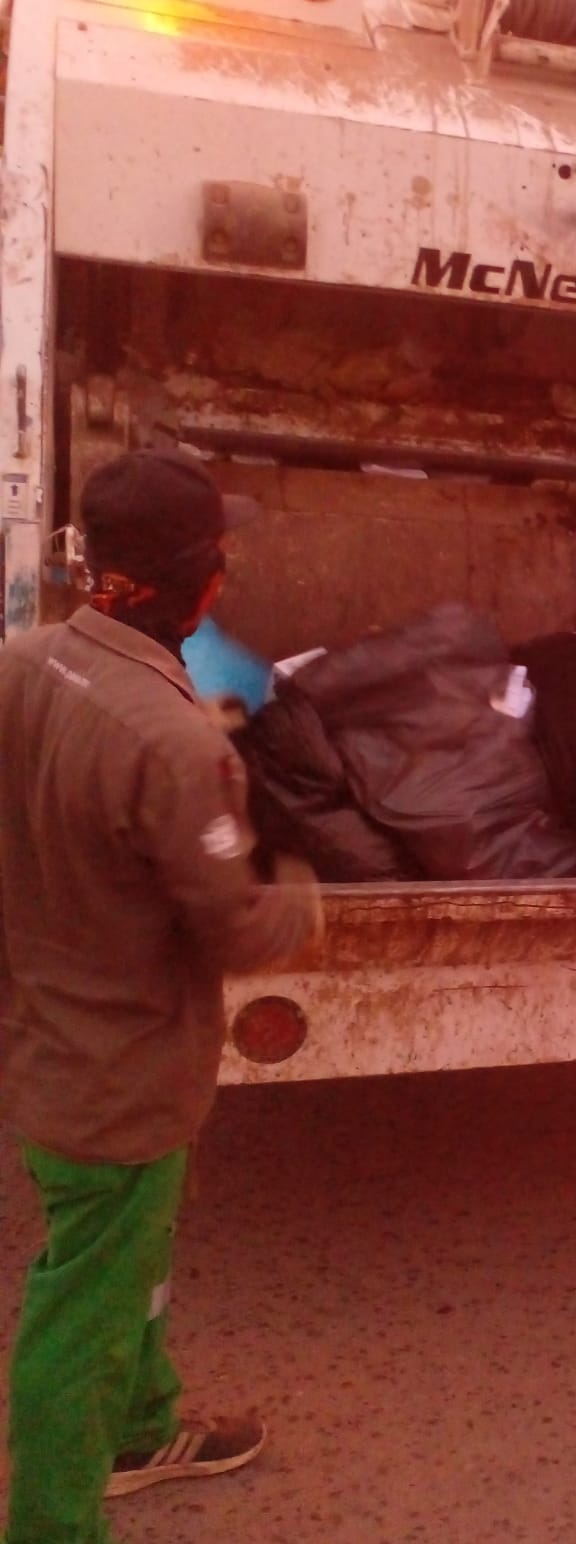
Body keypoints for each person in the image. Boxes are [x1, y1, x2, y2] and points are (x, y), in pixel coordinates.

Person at [0, 449, 323, 1541]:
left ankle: (142, 1430)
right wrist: (306, 899)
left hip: (49, 1044)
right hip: (122, 1083)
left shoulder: (24, 664)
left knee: (126, 1262)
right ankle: (52, 1522)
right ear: (205, 581)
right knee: (79, 1316)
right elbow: (232, 920)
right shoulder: (178, 744)